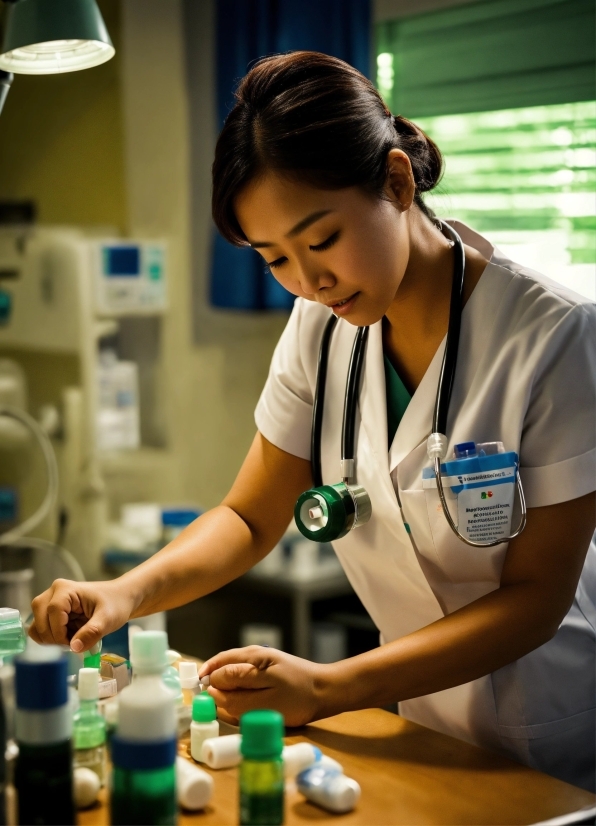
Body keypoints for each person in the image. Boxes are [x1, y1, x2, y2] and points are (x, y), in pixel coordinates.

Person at [30, 52, 595, 791]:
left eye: (321, 240)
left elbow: (535, 599)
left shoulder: (553, 337)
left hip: (555, 729)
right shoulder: (321, 326)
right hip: (421, 724)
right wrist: (122, 594)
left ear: (396, 182)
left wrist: (329, 687)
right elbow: (247, 516)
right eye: (274, 259)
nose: (307, 280)